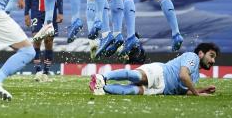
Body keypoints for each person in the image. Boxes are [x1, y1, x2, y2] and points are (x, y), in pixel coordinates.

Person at [89, 42, 219, 96]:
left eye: (214, 58)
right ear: (201, 53)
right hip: (161, 72)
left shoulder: (195, 76)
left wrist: (202, 90)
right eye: (211, 56)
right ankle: (103, 77)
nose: (213, 61)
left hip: (162, 89)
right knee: (136, 76)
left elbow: (183, 91)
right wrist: (197, 94)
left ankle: (101, 88)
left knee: (132, 91)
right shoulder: (193, 58)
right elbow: (183, 76)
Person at [24, 0, 63, 82]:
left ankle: (46, 72)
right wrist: (26, 13)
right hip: (37, 11)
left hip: (51, 12)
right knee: (36, 38)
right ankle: (38, 71)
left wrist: (60, 12)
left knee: (49, 41)